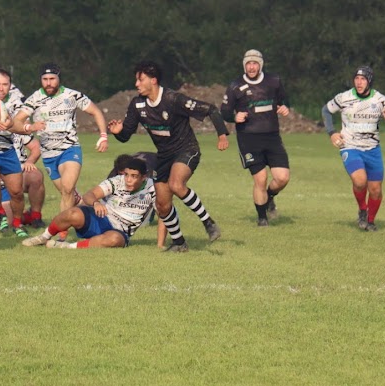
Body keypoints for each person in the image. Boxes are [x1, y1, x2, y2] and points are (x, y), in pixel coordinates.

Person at [108, 61, 229, 252]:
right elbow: (125, 136)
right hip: (164, 156)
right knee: (162, 205)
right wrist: (117, 131)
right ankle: (179, 243)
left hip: (186, 149)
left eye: (140, 80)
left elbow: (211, 109)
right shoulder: (137, 104)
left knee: (176, 184)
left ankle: (208, 223)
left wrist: (222, 134)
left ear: (153, 80)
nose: (136, 84)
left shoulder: (173, 99)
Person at [12, 63, 108, 227]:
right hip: (49, 155)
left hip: (69, 149)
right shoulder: (35, 98)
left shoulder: (72, 95)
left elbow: (96, 111)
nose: (48, 83)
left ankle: (61, 233)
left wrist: (103, 135)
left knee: (67, 188)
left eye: (52, 79)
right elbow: (16, 123)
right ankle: (95, 216)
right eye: (45, 79)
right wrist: (30, 127)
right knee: (69, 195)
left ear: (58, 79)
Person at [322, 66, 385, 231]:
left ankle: (370, 221)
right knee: (359, 180)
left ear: (369, 81)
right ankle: (362, 209)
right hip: (350, 147)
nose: (359, 82)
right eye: (356, 78)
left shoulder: (380, 100)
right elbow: (326, 110)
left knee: (376, 190)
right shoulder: (344, 97)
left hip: (373, 149)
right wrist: (332, 133)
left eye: (363, 79)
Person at [221, 49, 290, 227]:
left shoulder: (274, 81)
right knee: (260, 179)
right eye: (248, 64)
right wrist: (233, 117)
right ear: (245, 65)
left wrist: (285, 108)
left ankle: (270, 197)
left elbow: (285, 101)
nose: (251, 67)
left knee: (282, 178)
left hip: (272, 137)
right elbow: (225, 111)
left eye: (255, 63)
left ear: (260, 64)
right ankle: (262, 219)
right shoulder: (236, 85)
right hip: (249, 139)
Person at [22, 156, 155, 249]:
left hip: (120, 231)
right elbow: (89, 195)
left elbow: (166, 211)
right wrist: (96, 203)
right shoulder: (117, 181)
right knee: (72, 213)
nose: (128, 180)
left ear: (144, 177)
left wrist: (162, 243)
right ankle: (44, 237)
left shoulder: (153, 188)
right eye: (126, 175)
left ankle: (69, 247)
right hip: (102, 219)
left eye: (134, 176)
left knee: (114, 240)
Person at [0, 68, 31, 237]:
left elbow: (22, 126)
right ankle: (0, 212)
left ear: (10, 86)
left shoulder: (17, 103)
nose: (1, 88)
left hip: (8, 151)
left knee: (17, 193)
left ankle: (18, 224)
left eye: (5, 84)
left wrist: (11, 124)